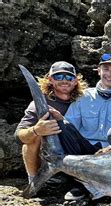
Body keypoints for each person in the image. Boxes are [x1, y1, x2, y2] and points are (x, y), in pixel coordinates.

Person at [14, 61, 86, 196]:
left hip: (78, 153)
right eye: (58, 76)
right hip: (49, 156)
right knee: (31, 140)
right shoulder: (38, 105)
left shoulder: (85, 100)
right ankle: (35, 181)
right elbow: (18, 136)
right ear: (50, 79)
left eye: (69, 77)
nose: (64, 80)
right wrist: (36, 130)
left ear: (75, 81)